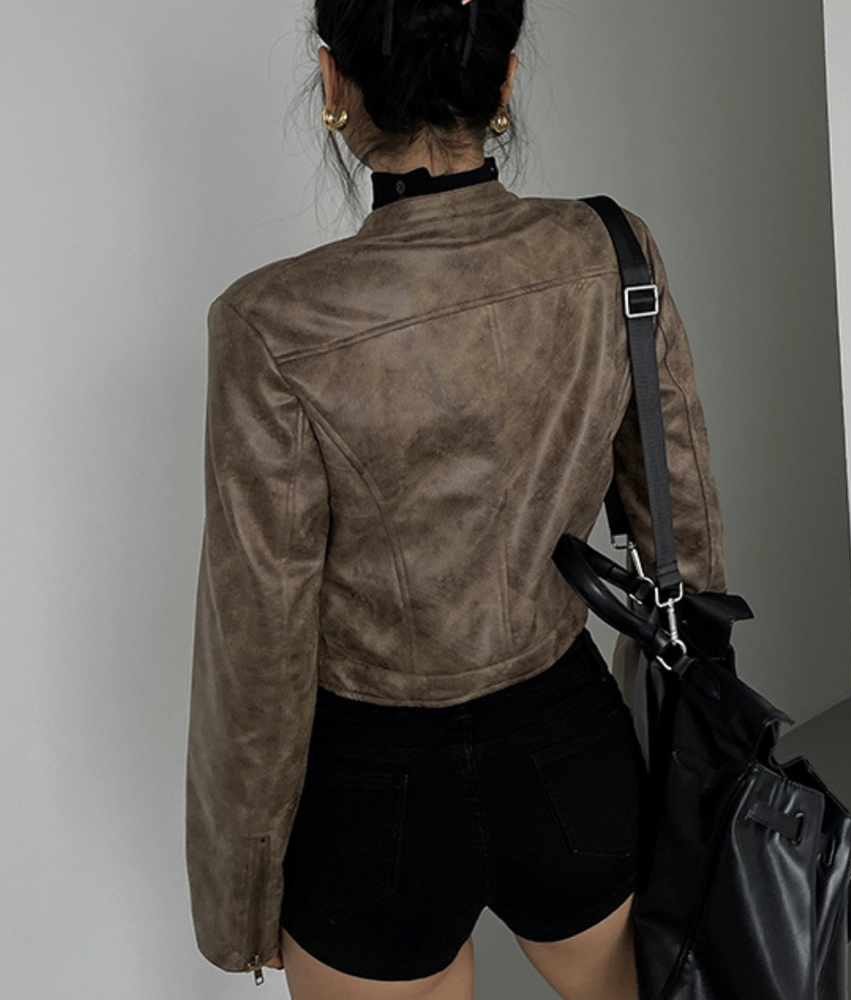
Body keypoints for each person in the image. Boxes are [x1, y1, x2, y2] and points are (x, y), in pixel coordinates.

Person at [184, 2, 727, 999]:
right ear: (504, 81)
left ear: (334, 84)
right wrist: (695, 759)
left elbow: (258, 640)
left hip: (370, 799)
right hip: (570, 749)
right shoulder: (612, 254)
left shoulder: (269, 323)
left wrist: (242, 893)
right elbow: (680, 531)